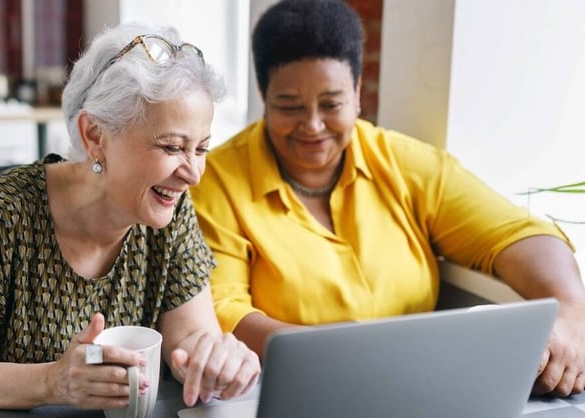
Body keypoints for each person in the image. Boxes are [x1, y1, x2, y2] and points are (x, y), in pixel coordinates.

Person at [191, 0, 585, 397]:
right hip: (288, 392)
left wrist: (570, 311)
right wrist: (342, 357)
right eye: (289, 106)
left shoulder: (403, 162)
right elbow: (224, 311)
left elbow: (518, 233)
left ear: (358, 90)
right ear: (263, 95)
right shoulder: (217, 181)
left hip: (419, 389)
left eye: (332, 104)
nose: (312, 125)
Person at [0, 22, 260, 418]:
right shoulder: (0, 214)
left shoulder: (170, 210)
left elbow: (189, 335)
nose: (192, 173)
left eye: (202, 148)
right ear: (94, 136)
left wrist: (213, 358)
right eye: (172, 147)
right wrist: (52, 381)